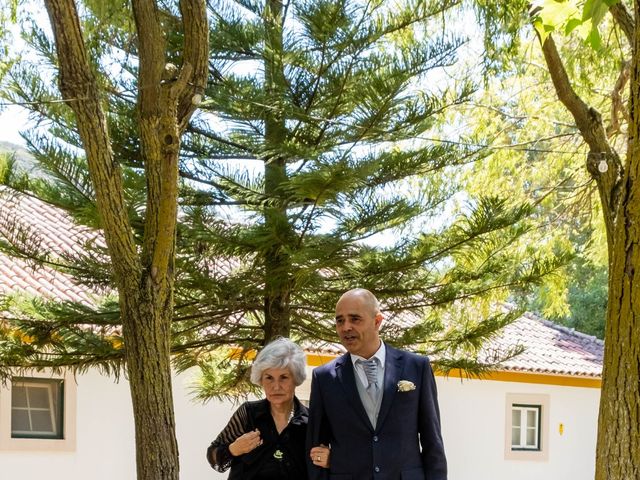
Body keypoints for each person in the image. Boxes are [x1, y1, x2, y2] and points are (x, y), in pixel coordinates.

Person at [307, 288, 447, 480]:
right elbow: (315, 450)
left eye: (355, 319)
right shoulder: (324, 378)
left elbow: (433, 442)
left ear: (377, 321)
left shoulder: (416, 367)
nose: (346, 327)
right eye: (340, 321)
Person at [207, 337, 330, 479]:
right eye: (269, 378)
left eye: (284, 377)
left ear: (296, 378)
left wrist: (329, 461)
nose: (276, 386)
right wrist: (233, 449)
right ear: (261, 379)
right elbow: (213, 455)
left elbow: (325, 465)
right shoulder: (248, 413)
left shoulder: (311, 422)